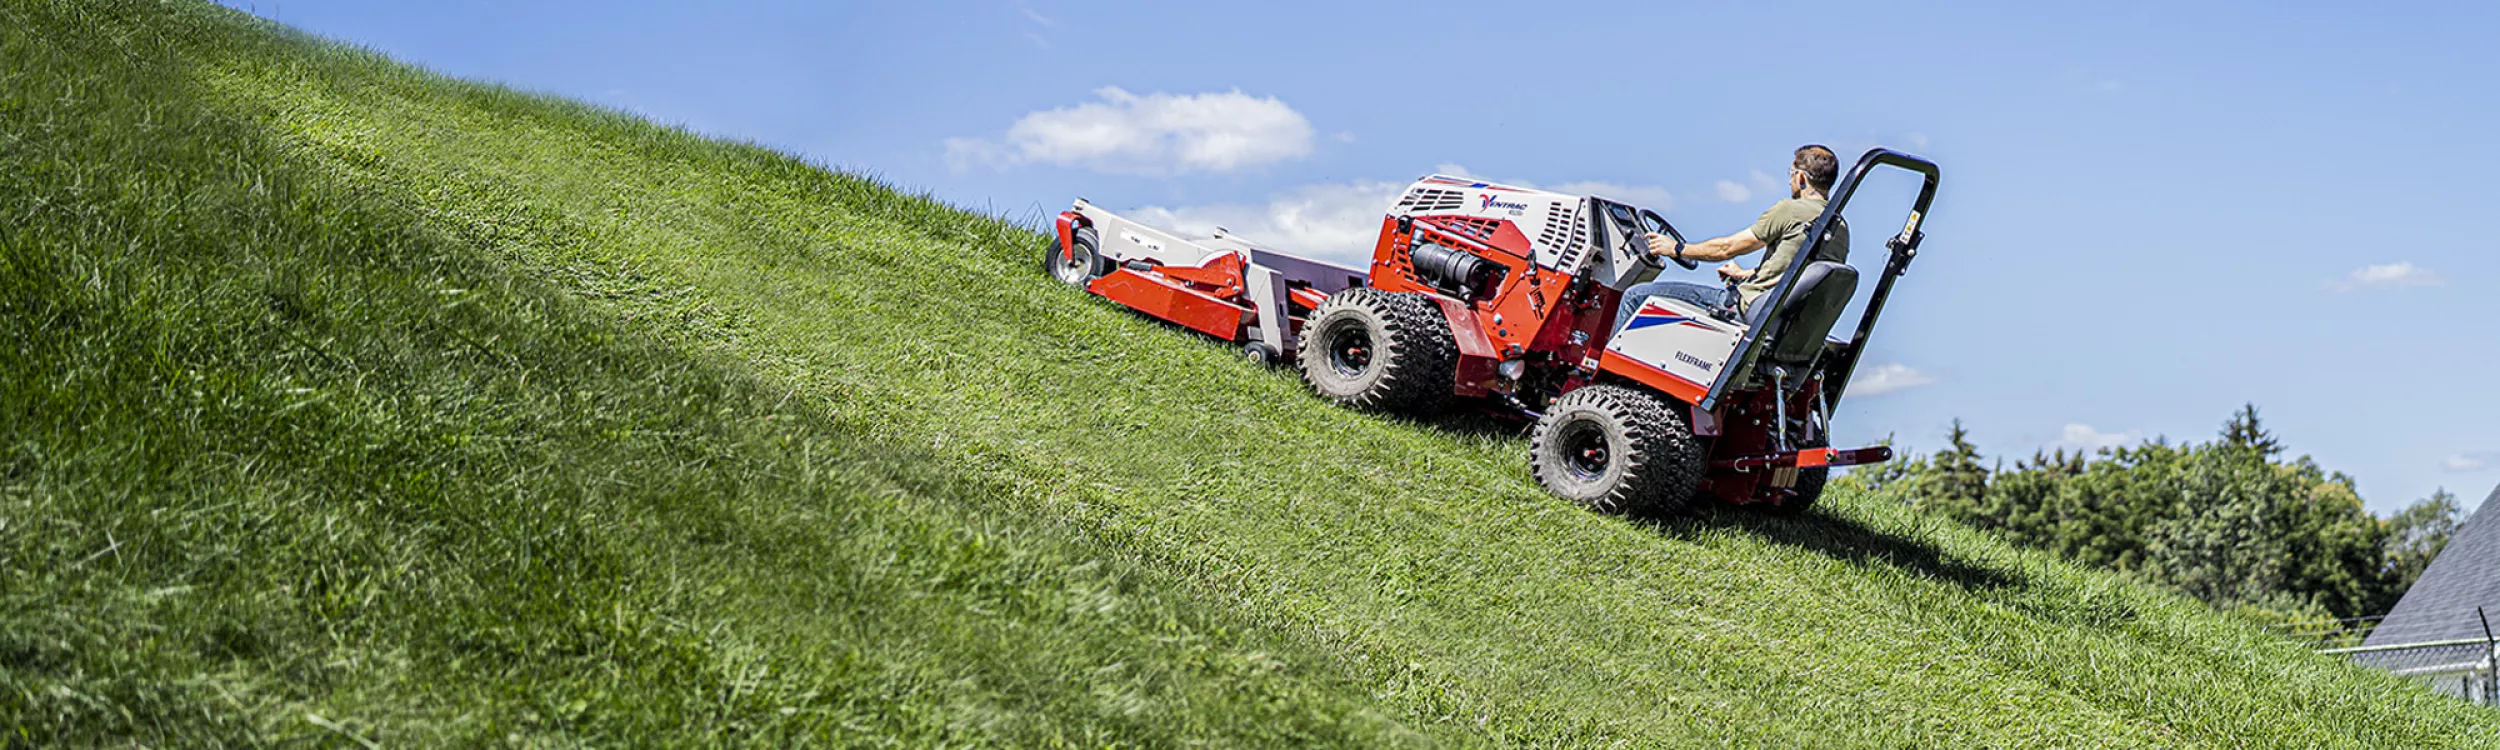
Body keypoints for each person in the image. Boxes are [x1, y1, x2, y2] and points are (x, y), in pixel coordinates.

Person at [1614, 144, 1851, 332]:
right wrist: (1744, 274)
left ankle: (1605, 386)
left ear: (1801, 178)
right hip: (1782, 319)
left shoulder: (1790, 210)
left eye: (1791, 174)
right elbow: (1800, 274)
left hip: (1744, 305)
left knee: (1635, 296)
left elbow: (1726, 248)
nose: (1789, 180)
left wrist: (1675, 248)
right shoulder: (1839, 227)